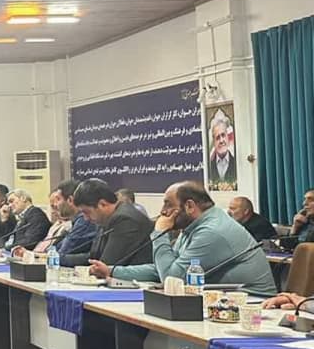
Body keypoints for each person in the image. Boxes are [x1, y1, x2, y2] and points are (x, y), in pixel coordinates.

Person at [93, 181, 276, 296]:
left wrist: (159, 234)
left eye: (168, 204)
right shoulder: (193, 227)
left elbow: (171, 279)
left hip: (255, 305)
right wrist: (112, 271)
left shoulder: (212, 231)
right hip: (223, 301)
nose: (163, 211)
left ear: (189, 206)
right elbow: (163, 269)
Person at [63, 179, 152, 269]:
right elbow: (93, 257)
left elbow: (106, 265)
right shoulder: (106, 219)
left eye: (87, 212)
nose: (86, 218)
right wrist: (59, 259)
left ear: (102, 204)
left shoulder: (125, 220)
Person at [206, 111, 237, 190]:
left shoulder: (236, 163)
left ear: (227, 137)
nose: (221, 140)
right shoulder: (209, 166)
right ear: (213, 141)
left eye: (223, 135)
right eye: (217, 137)